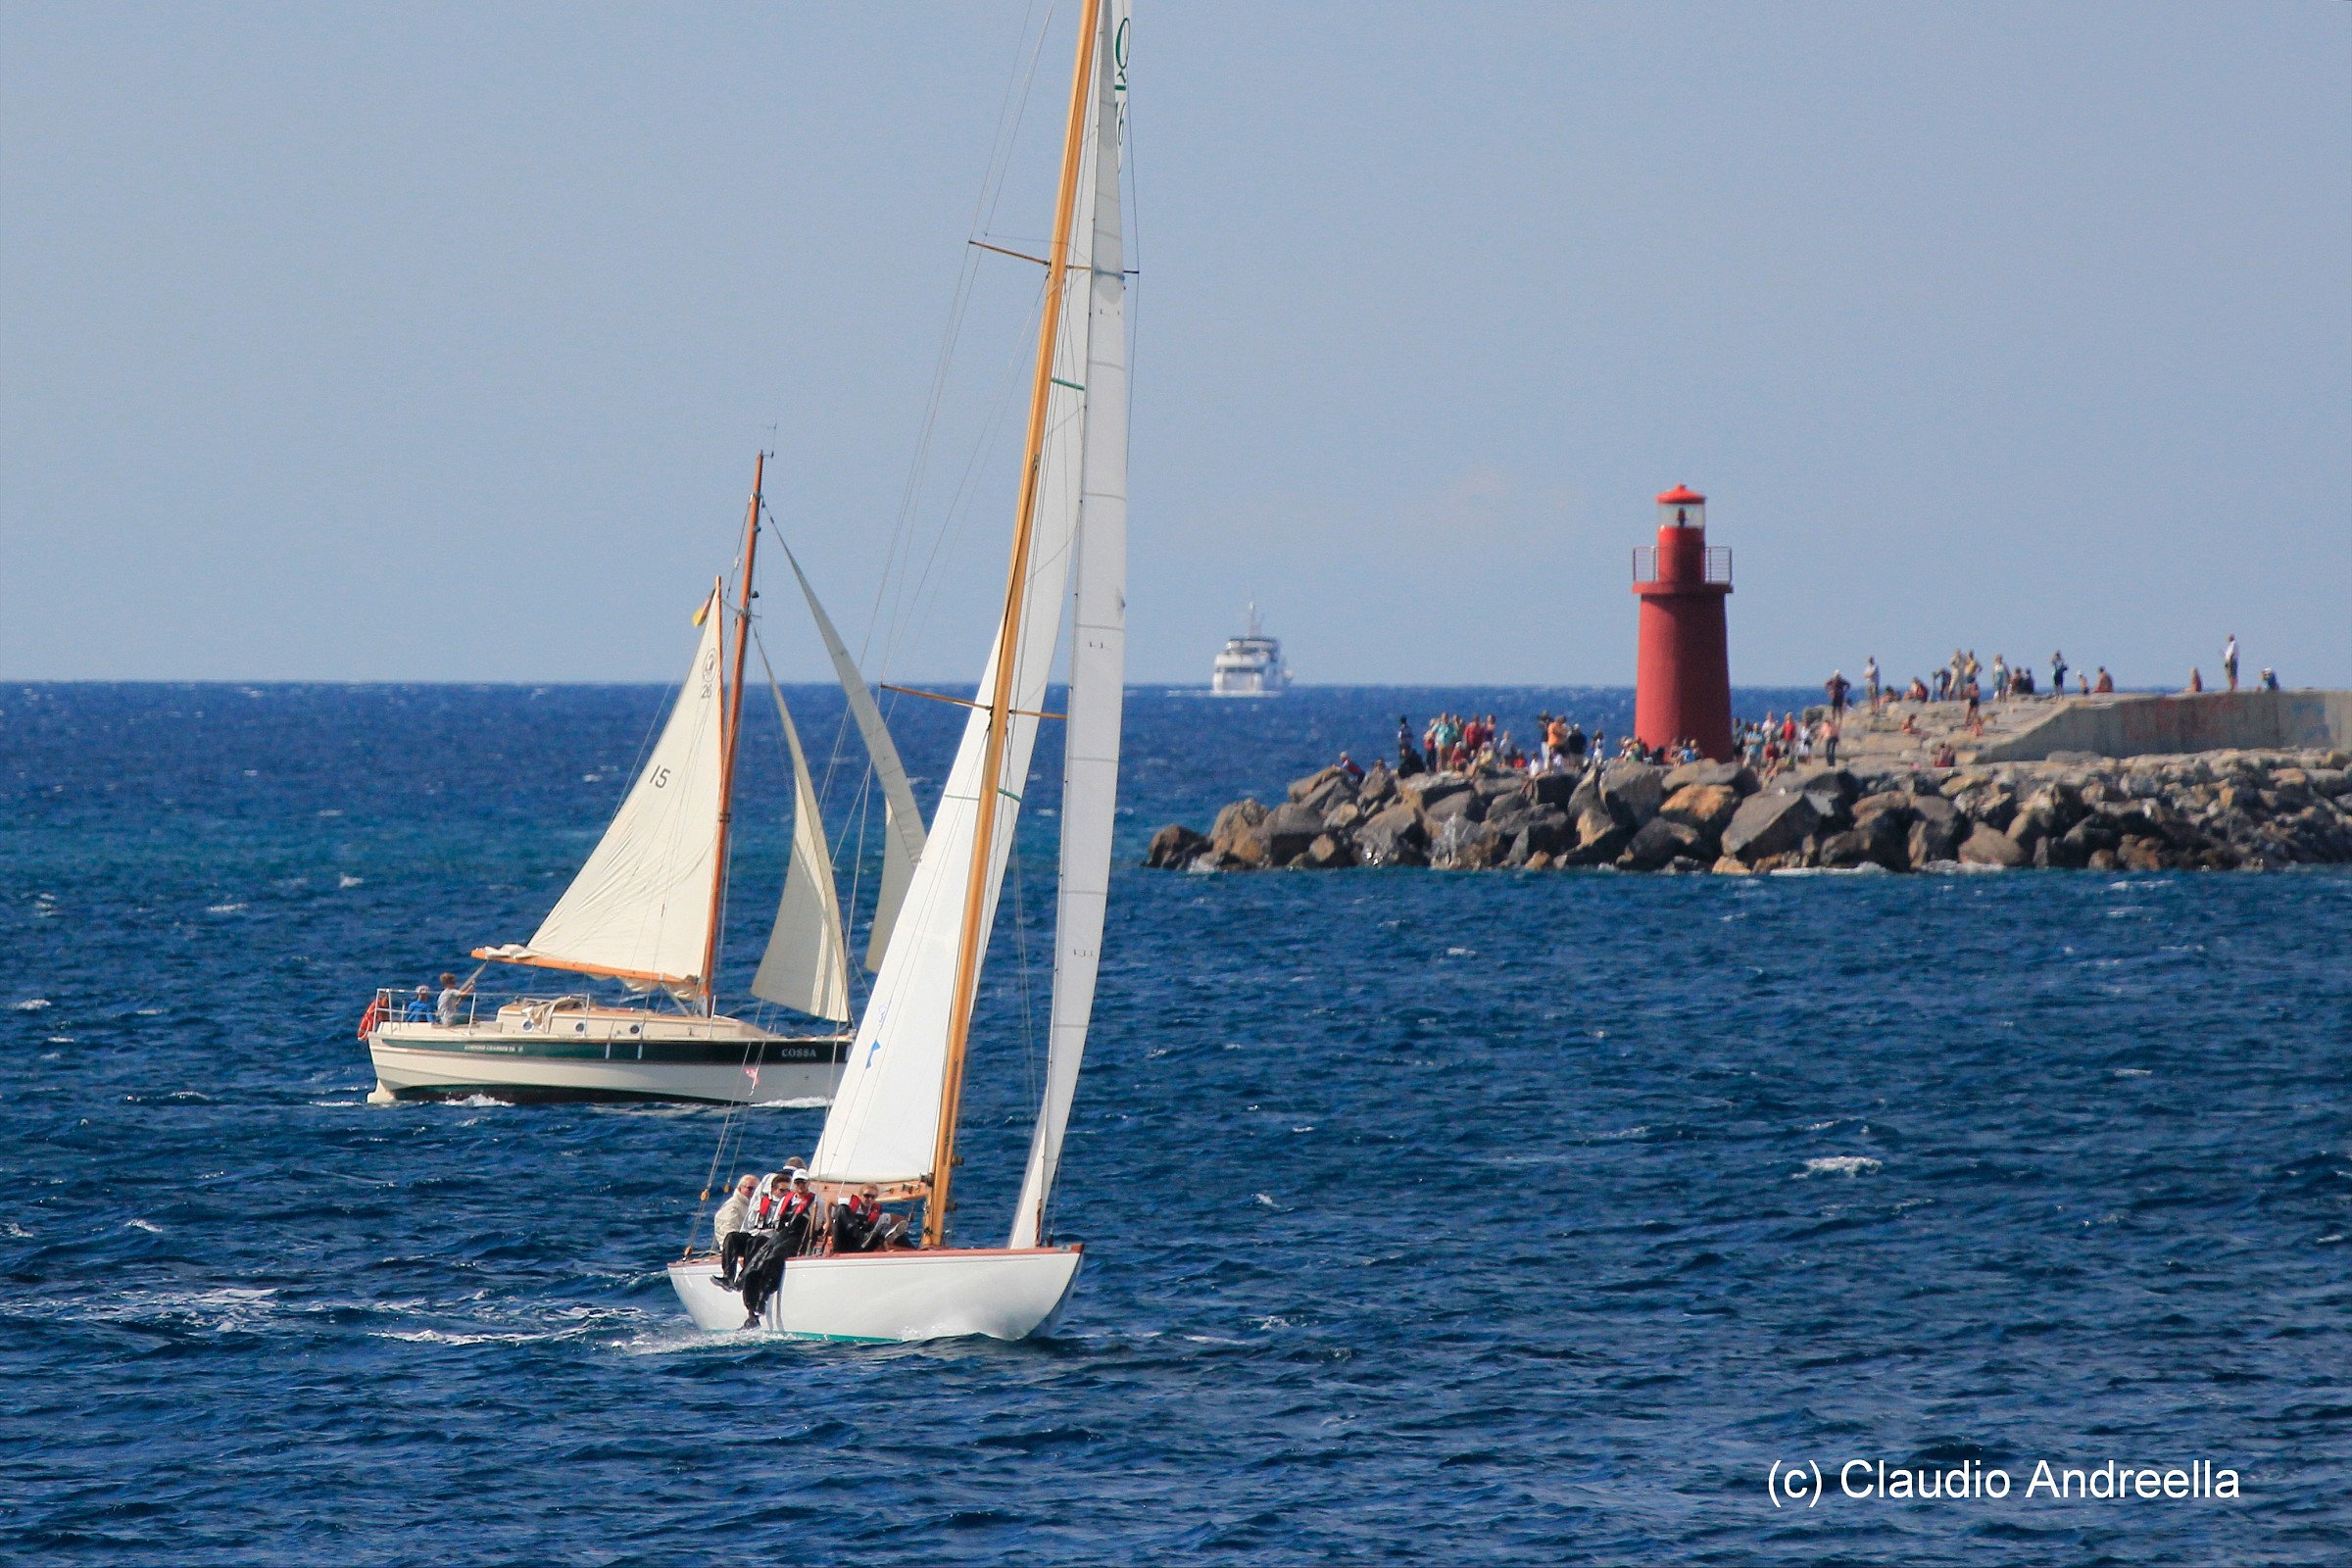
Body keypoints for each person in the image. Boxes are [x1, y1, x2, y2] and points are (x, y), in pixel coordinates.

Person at [713, 1174, 759, 1286]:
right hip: (736, 1249)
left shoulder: (752, 1204)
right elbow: (728, 1233)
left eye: (756, 1189)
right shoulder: (733, 1206)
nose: (753, 1192)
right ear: (739, 1188)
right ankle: (729, 1277)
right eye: (749, 1188)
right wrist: (738, 1257)